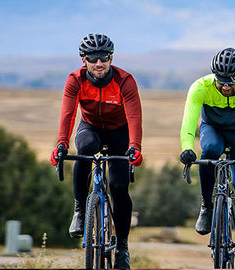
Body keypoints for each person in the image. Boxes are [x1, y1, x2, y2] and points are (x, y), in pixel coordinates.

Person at [49, 33, 143, 269]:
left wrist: (135, 147)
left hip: (119, 133)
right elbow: (68, 115)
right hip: (90, 127)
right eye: (93, 58)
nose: (98, 63)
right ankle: (80, 209)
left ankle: (122, 248)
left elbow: (134, 116)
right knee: (85, 149)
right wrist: (61, 144)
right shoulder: (75, 80)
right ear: (84, 60)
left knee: (120, 187)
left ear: (111, 58)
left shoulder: (125, 80)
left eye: (103, 58)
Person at [179, 47, 235, 269]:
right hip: (214, 129)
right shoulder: (200, 87)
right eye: (221, 81)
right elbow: (189, 120)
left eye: (232, 81)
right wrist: (187, 148)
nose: (226, 86)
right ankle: (206, 206)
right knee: (209, 151)